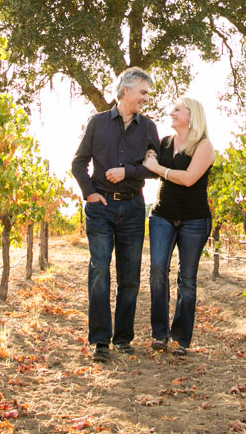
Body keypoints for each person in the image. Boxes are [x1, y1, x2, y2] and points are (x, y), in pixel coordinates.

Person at [71, 67, 160, 362]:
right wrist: (89, 193)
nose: (146, 99)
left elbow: (154, 168)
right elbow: (78, 162)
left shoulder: (148, 128)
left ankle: (123, 338)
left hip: (134, 208)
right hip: (101, 209)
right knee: (99, 272)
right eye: (143, 93)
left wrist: (128, 172)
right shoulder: (97, 123)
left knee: (130, 276)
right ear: (127, 91)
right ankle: (100, 342)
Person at [142, 96, 215, 356]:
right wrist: (151, 156)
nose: (171, 113)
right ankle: (160, 334)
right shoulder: (165, 143)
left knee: (187, 279)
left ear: (191, 116)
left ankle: (180, 339)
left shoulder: (204, 146)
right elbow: (150, 166)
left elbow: (188, 179)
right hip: (162, 215)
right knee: (157, 271)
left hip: (194, 219)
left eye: (177, 110)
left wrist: (157, 167)